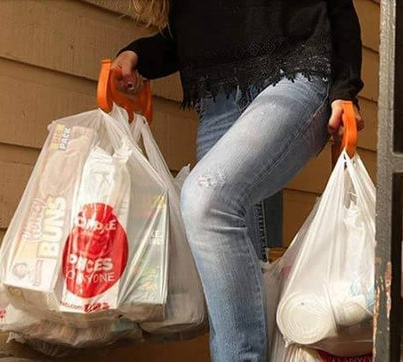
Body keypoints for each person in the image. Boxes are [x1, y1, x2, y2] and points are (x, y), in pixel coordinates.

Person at [113, 1, 364, 360]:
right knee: (230, 263)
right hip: (219, 103)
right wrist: (136, 54)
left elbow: (336, 6)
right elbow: (191, 35)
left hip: (294, 79)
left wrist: (345, 89)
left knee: (206, 200)